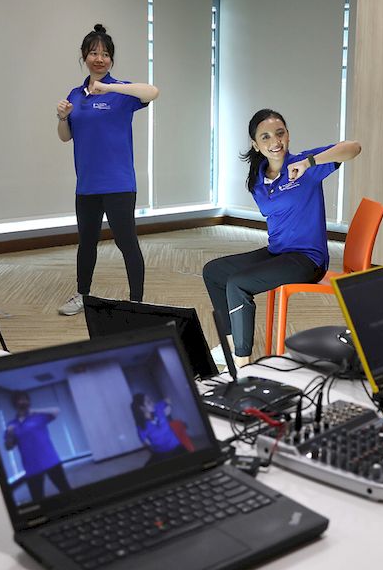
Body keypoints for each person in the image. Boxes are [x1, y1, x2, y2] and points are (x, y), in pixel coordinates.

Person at [202, 109, 361, 366]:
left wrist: (310, 162)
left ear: (287, 135)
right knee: (214, 272)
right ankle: (231, 344)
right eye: (265, 137)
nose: (275, 142)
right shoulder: (256, 181)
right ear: (255, 145)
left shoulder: (306, 164)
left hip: (308, 260)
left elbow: (353, 148)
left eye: (280, 133)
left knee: (238, 284)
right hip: (278, 252)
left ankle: (241, 363)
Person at [55, 24, 159, 315]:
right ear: (84, 56)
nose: (99, 59)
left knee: (127, 243)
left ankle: (137, 302)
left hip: (119, 184)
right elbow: (65, 137)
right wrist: (62, 117)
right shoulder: (75, 95)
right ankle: (82, 295)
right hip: (87, 185)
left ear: (111, 59)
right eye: (93, 53)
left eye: (105, 54)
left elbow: (153, 92)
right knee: (86, 244)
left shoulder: (122, 92)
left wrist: (109, 87)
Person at [4, 391, 72, 503]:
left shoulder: (38, 417)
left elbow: (56, 411)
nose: (24, 402)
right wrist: (10, 435)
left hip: (51, 461)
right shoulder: (11, 425)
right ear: (15, 403)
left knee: (65, 490)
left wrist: (35, 411)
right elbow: (8, 447)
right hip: (31, 467)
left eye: (26, 399)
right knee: (38, 499)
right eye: (21, 399)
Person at [130, 393, 195, 465]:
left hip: (177, 447)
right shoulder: (142, 427)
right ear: (142, 408)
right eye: (148, 402)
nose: (152, 403)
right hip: (161, 453)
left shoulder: (158, 408)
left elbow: (168, 400)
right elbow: (147, 444)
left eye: (151, 400)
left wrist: (168, 408)